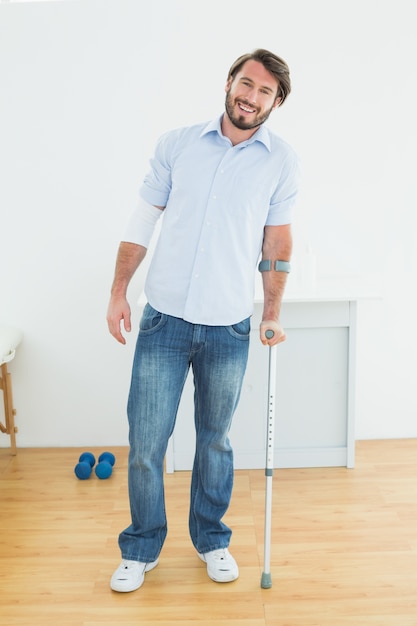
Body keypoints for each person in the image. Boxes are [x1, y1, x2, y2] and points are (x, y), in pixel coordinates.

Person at [106, 48, 300, 593]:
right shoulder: (178, 145)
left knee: (215, 441)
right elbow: (143, 218)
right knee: (147, 441)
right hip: (162, 321)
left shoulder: (281, 162)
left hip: (229, 327)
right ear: (229, 83)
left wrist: (272, 312)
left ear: (276, 101)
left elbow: (277, 242)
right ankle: (141, 546)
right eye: (246, 83)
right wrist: (119, 291)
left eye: (264, 91)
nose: (251, 96)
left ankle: (212, 540)